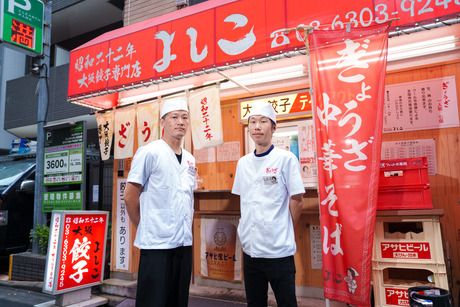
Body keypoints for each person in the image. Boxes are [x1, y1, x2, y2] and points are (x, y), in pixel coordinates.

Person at [124, 97, 196, 307]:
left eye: (184, 117)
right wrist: (143, 225)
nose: (180, 122)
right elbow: (130, 196)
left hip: (184, 242)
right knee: (154, 301)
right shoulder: (150, 152)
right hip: (156, 245)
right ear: (162, 123)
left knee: (178, 299)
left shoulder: (190, 158)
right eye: (174, 117)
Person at [232, 102, 304, 307]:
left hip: (278, 250)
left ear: (273, 127)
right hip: (251, 250)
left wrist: (285, 228)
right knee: (255, 303)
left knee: (287, 302)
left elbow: (297, 200)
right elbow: (243, 201)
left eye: (263, 121)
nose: (257, 126)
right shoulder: (243, 163)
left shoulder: (286, 159)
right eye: (252, 122)